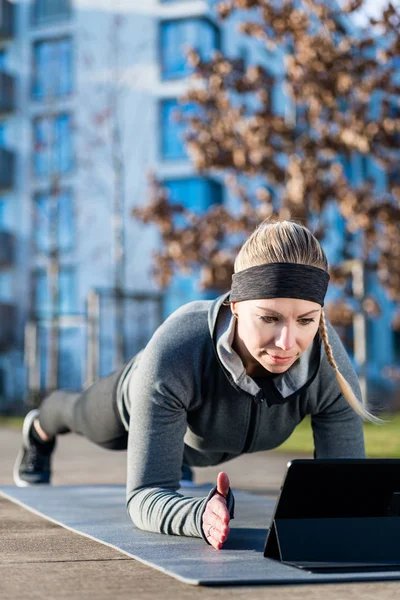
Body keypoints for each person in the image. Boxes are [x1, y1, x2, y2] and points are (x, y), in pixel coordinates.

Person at [14, 219, 373, 551]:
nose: (286, 342)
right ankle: (39, 430)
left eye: (306, 320)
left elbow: (343, 490)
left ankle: (177, 460)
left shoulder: (328, 366)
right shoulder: (178, 349)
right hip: (134, 403)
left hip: (192, 433)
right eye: (269, 318)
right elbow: (144, 495)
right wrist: (196, 516)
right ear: (235, 306)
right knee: (77, 413)